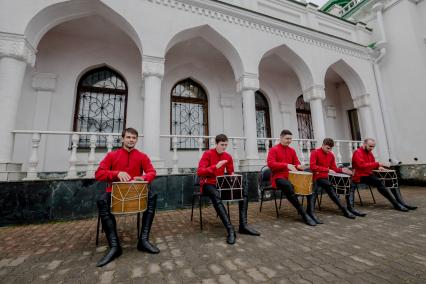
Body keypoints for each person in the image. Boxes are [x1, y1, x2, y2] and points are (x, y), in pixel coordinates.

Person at [94, 128, 159, 267]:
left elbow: (152, 172)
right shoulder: (112, 155)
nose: (131, 140)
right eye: (128, 137)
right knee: (101, 201)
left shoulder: (142, 156)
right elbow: (98, 174)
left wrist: (143, 177)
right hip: (115, 191)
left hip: (136, 192)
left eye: (134, 138)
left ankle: (143, 240)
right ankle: (114, 246)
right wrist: (116, 173)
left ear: (136, 140)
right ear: (122, 139)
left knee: (152, 196)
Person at [197, 134, 260, 244]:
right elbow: (200, 172)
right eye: (222, 145)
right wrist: (215, 166)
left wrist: (234, 177)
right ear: (216, 144)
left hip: (221, 183)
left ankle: (243, 225)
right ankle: (230, 229)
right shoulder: (208, 154)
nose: (224, 147)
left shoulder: (228, 156)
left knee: (243, 190)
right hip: (207, 184)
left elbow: (230, 172)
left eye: (226, 145)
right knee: (216, 195)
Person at [352, 138, 417, 212]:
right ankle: (396, 204)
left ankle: (402, 203)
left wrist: (379, 167)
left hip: (368, 174)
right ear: (364, 144)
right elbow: (361, 165)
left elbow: (372, 163)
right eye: (370, 146)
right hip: (359, 176)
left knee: (392, 180)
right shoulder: (357, 152)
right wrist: (377, 164)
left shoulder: (369, 153)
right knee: (379, 182)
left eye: (373, 147)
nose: (372, 148)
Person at [267, 130, 316, 226]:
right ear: (281, 138)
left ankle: (311, 211)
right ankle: (303, 214)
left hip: (292, 176)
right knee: (288, 186)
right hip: (278, 177)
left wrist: (300, 166)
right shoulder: (273, 149)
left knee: (310, 183)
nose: (289, 141)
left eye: (290, 139)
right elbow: (270, 164)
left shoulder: (292, 150)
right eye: (287, 138)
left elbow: (296, 163)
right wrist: (286, 165)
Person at [309, 138, 356, 223]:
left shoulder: (331, 154)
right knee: (329, 187)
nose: (329, 150)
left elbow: (333, 168)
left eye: (331, 148)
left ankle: (348, 208)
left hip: (327, 177)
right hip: (317, 177)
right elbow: (312, 167)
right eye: (327, 148)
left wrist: (342, 170)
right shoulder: (314, 152)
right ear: (323, 145)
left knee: (348, 183)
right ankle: (344, 210)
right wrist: (327, 170)